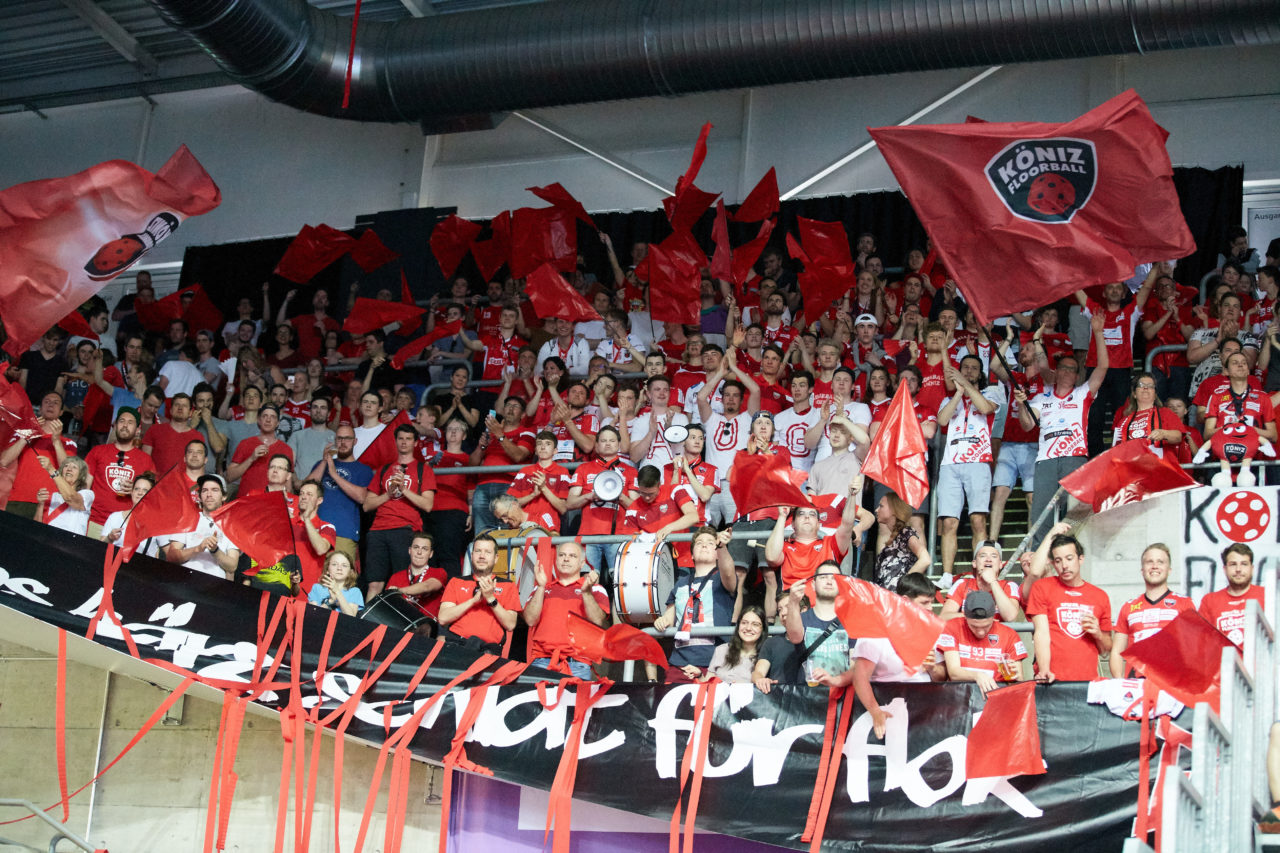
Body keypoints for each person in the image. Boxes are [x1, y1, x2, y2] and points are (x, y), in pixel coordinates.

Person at [1020, 311, 1109, 542]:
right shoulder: (1042, 396)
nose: (1068, 372)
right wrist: (1022, 404)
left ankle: (1071, 547)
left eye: (1072, 369)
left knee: (1078, 510)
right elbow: (1028, 425)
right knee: (1041, 513)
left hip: (1074, 457)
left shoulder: (1082, 394)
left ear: (1077, 375)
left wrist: (1098, 333)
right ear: (1056, 372)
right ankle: (1040, 555)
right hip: (1046, 459)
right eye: (1064, 368)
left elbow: (1103, 367)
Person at [936, 355, 1004, 579]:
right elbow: (943, 421)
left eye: (974, 368)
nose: (969, 371)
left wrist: (965, 386)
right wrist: (958, 392)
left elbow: (985, 409)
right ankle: (947, 575)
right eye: (965, 368)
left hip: (978, 461)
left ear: (981, 373)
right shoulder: (948, 399)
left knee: (977, 519)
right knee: (949, 521)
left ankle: (982, 573)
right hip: (951, 463)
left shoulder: (991, 392)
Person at [1025, 524, 1112, 682]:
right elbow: (1042, 633)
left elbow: (1106, 649)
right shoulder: (1042, 587)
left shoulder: (1100, 596)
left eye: (1069, 559)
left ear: (1081, 559)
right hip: (1051, 679)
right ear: (1052, 563)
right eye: (1058, 561)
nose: (1064, 565)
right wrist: (1044, 669)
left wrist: (1098, 633)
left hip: (1088, 680)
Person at [651, 527, 739, 682]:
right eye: (699, 543)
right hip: (680, 662)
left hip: (714, 661)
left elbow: (729, 572)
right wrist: (662, 621)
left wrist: (722, 547)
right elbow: (669, 618)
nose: (704, 545)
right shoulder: (680, 584)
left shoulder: (721, 579)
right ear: (691, 554)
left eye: (710, 542)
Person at [361, 424, 436, 599]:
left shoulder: (423, 469)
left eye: (408, 439)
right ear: (395, 441)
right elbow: (367, 505)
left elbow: (428, 505)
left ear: (416, 443)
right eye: (400, 438)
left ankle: (399, 625)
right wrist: (389, 494)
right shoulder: (384, 469)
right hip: (378, 530)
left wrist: (404, 489)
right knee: (374, 583)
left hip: (405, 529)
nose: (404, 442)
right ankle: (367, 624)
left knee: (401, 582)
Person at [524, 540, 611, 679]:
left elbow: (597, 621)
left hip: (577, 664)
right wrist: (540, 587)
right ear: (556, 560)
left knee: (573, 702)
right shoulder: (542, 588)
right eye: (562, 555)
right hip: (541, 662)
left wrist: (586, 592)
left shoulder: (595, 589)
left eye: (572, 556)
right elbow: (529, 620)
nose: (566, 559)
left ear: (582, 563)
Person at [765, 476, 867, 587]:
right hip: (792, 600)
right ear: (793, 524)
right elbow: (772, 558)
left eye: (812, 514)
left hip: (821, 600)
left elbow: (847, 524)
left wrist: (852, 496)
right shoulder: (785, 546)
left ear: (819, 524)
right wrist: (782, 516)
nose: (807, 517)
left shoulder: (831, 544)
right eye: (801, 514)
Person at [1109, 543, 1194, 677]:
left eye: (1160, 562)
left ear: (1169, 569)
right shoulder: (1129, 607)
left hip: (1172, 684)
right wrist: (1120, 683)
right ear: (1142, 569)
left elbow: (1193, 650)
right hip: (1137, 685)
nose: (1155, 566)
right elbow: (1116, 652)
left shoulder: (1184, 604)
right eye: (1149, 562)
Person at [567, 425, 636, 578]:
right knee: (588, 580)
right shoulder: (583, 468)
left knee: (619, 582)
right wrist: (590, 496)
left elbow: (636, 508)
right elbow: (569, 503)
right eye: (603, 440)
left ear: (619, 445)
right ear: (596, 446)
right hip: (588, 534)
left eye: (612, 440)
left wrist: (620, 496)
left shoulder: (630, 471)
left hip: (619, 535)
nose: (608, 443)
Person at [1, 391, 78, 520]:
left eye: (55, 403)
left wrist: (56, 441)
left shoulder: (68, 443)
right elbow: (3, 461)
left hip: (51, 503)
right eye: (46, 402)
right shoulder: (23, 435)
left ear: (61, 412)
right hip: (20, 499)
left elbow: (68, 470)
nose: (50, 405)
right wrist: (28, 435)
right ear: (40, 409)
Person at [438, 534, 521, 652]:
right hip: (456, 644)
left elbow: (510, 624)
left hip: (488, 650)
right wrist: (473, 601)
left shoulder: (508, 585)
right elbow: (443, 618)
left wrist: (491, 599)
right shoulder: (456, 582)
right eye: (478, 551)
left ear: (496, 558)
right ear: (471, 556)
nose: (482, 556)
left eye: (487, 552)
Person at [81, 407, 154, 539]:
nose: (125, 425)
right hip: (95, 521)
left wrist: (135, 489)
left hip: (125, 526)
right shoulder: (97, 451)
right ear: (115, 425)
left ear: (138, 430)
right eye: (121, 421)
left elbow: (152, 497)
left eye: (130, 422)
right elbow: (83, 488)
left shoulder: (145, 460)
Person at [938, 589, 1028, 693]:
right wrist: (978, 676)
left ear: (994, 617)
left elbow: (1019, 680)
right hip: (960, 696)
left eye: (986, 626)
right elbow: (954, 672)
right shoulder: (953, 627)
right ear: (965, 617)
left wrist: (1016, 676)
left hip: (997, 696)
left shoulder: (1009, 635)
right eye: (974, 626)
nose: (980, 632)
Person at [783, 560, 857, 685]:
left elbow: (855, 667)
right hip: (807, 695)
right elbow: (795, 637)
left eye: (834, 578)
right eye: (823, 577)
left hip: (840, 696)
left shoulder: (851, 621)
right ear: (813, 584)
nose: (829, 581)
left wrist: (834, 681)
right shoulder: (801, 618)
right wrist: (793, 602)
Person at [308, 425, 372, 568]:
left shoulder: (363, 469)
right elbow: (306, 488)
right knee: (312, 580)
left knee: (340, 582)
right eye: (340, 438)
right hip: (316, 530)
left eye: (347, 438)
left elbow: (362, 497)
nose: (343, 442)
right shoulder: (322, 464)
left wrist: (334, 475)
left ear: (355, 441)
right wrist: (324, 461)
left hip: (343, 532)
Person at [163, 475, 240, 579]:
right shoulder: (187, 519)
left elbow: (232, 566)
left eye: (214, 490)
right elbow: (171, 556)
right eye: (204, 491)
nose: (209, 494)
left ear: (224, 496)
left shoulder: (232, 525)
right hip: (185, 580)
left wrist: (215, 550)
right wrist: (198, 548)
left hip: (214, 585)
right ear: (199, 497)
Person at [1198, 542, 1266, 650]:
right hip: (1222, 664)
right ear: (1225, 569)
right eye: (1233, 564)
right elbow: (1201, 641)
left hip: (1260, 664)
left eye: (1244, 564)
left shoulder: (1267, 595)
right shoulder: (1210, 600)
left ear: (1252, 568)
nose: (1238, 569)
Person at [939, 540, 1022, 622]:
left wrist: (993, 582)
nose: (988, 559)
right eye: (983, 556)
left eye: (994, 556)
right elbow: (944, 616)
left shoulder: (1009, 586)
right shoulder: (962, 584)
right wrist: (978, 617)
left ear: (1000, 564)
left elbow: (1010, 617)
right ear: (974, 563)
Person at [226, 405, 293, 496]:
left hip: (272, 503)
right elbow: (230, 477)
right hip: (246, 502)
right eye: (264, 416)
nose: (268, 420)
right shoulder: (245, 443)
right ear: (259, 420)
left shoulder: (286, 449)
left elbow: (288, 486)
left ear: (277, 423)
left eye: (272, 417)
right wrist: (251, 458)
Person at [871, 491, 931, 591]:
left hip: (898, 597)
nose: (877, 510)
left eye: (881, 506)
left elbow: (925, 560)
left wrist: (903, 584)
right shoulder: (894, 538)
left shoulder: (906, 533)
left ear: (894, 510)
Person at [385, 532, 448, 626]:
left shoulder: (439, 572)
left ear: (431, 554)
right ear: (409, 550)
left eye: (424, 549)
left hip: (429, 629)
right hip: (401, 627)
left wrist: (397, 591)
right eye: (416, 547)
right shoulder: (396, 577)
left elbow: (427, 586)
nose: (419, 552)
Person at [100, 472, 160, 557]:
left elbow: (158, 555)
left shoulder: (156, 524)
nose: (140, 493)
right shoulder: (115, 517)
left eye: (145, 490)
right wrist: (110, 538)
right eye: (136, 489)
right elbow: (100, 548)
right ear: (131, 492)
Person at [703, 605, 767, 683]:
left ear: (763, 629)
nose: (748, 628)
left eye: (755, 624)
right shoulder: (721, 650)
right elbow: (708, 683)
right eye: (744, 623)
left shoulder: (766, 657)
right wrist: (699, 676)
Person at [142, 393, 201, 473]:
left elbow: (198, 469)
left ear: (190, 413)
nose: (180, 408)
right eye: (177, 405)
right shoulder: (154, 430)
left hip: (183, 484)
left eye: (184, 406)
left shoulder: (197, 437)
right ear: (170, 410)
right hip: (156, 483)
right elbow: (144, 461)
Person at [37, 455, 93, 535]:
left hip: (70, 543)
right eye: (66, 466)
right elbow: (37, 527)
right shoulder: (52, 496)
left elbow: (71, 497)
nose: (69, 469)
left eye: (74, 467)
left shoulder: (87, 494)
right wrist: (40, 504)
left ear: (81, 475)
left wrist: (51, 469)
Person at [307, 550, 364, 616]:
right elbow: (312, 615)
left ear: (350, 572)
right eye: (334, 564)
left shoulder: (355, 592)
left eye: (344, 565)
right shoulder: (317, 588)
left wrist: (337, 592)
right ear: (327, 569)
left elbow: (351, 616)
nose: (339, 568)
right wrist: (330, 602)